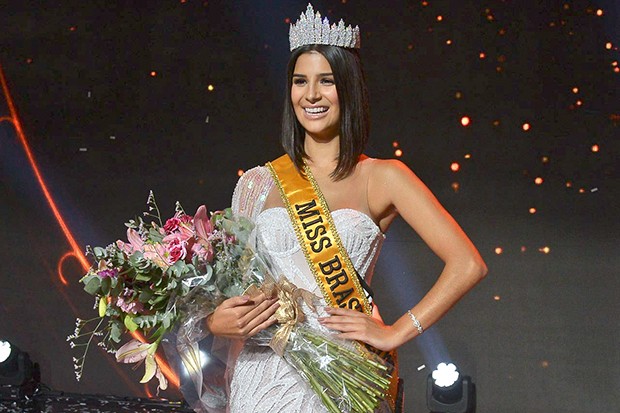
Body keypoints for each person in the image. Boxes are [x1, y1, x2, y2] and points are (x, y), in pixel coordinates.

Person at [204, 4, 487, 412]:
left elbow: (468, 264)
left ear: (349, 89)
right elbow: (231, 288)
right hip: (261, 374)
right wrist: (216, 321)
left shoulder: (384, 177)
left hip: (341, 376)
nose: (311, 95)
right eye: (300, 81)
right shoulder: (256, 182)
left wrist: (395, 332)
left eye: (327, 81)